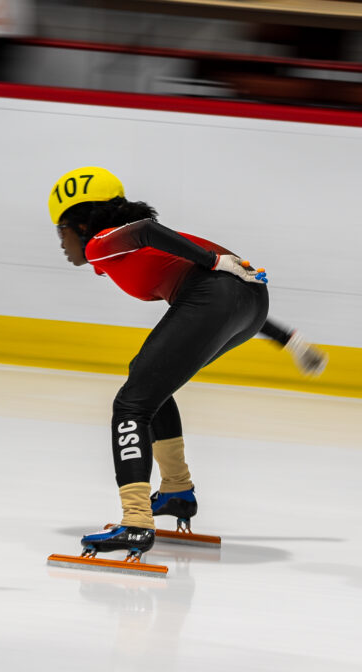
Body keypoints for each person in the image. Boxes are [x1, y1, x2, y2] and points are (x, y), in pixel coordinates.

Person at [48, 166, 328, 560]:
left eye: (60, 231)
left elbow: (147, 229)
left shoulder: (103, 243)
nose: (60, 244)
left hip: (218, 293)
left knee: (131, 404)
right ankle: (177, 492)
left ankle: (136, 521)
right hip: (249, 305)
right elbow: (229, 295)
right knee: (150, 389)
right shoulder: (127, 252)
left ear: (80, 224)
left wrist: (212, 261)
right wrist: (288, 339)